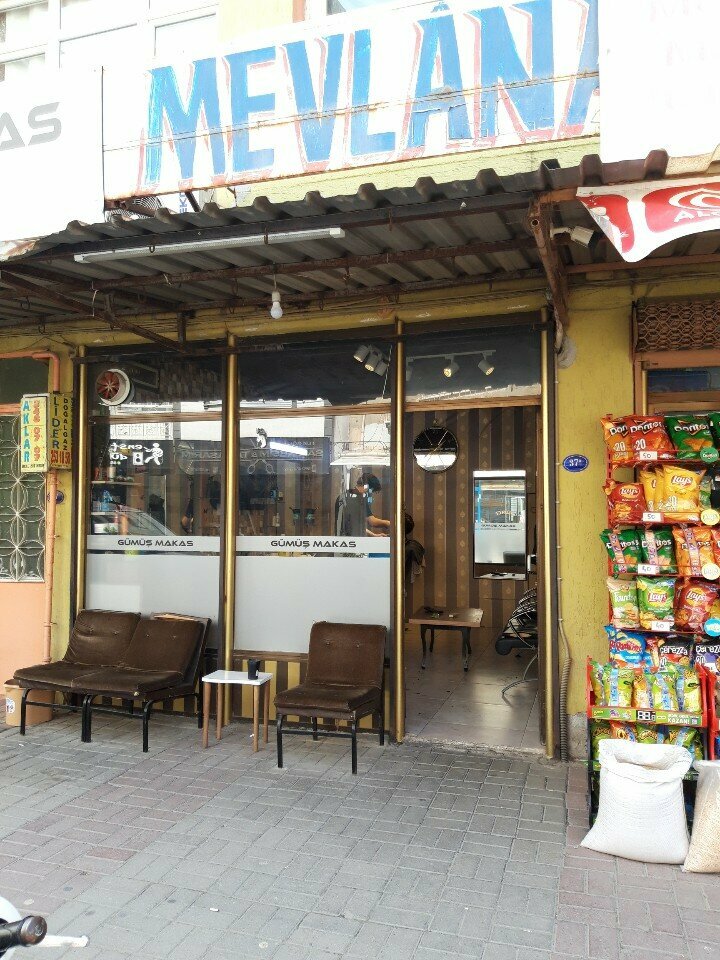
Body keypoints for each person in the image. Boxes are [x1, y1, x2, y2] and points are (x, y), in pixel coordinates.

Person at [335, 472, 390, 537]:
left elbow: (356, 526)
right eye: (371, 491)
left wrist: (374, 535)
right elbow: (372, 521)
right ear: (366, 486)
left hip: (342, 540)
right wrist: (388, 523)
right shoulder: (360, 499)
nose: (370, 494)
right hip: (354, 541)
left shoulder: (343, 496)